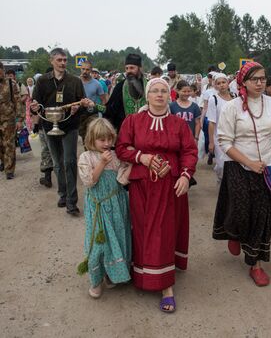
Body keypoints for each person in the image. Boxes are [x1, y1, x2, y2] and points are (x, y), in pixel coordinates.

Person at [116, 77, 198, 313]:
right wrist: (141, 157)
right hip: (142, 184)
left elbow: (190, 151)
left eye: (164, 91)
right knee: (142, 229)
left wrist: (184, 175)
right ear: (148, 96)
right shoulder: (133, 121)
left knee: (164, 230)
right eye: (155, 91)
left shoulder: (179, 125)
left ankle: (165, 285)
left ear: (169, 96)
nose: (160, 95)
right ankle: (143, 272)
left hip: (170, 185)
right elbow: (121, 148)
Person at [213, 61, 271, 287]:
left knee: (262, 216)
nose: (260, 83)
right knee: (240, 212)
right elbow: (224, 141)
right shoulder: (232, 107)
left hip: (268, 165)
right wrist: (250, 163)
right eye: (255, 79)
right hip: (239, 165)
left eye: (263, 78)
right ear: (243, 82)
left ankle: (256, 263)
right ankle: (234, 233)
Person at [30, 48, 91, 215]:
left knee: (70, 162)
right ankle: (62, 194)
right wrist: (34, 108)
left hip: (70, 126)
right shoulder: (42, 81)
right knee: (57, 163)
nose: (63, 63)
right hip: (49, 127)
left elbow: (83, 104)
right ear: (52, 61)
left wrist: (77, 108)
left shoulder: (74, 81)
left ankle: (72, 202)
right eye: (59, 60)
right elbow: (37, 105)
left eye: (64, 60)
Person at [77, 118, 131, 298]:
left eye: (109, 139)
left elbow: (122, 180)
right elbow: (89, 181)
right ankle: (96, 280)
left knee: (116, 239)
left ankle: (110, 274)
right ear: (91, 139)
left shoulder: (116, 157)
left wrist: (130, 162)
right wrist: (101, 163)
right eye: (102, 140)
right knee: (98, 245)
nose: (107, 143)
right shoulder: (86, 157)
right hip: (98, 208)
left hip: (116, 205)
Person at [104, 54, 148, 131]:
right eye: (126, 68)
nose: (128, 71)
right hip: (125, 132)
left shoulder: (149, 86)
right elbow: (110, 111)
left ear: (140, 68)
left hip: (147, 131)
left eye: (132, 68)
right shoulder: (119, 87)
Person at [206, 73, 235, 182]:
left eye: (224, 82)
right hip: (220, 138)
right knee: (222, 164)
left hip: (235, 136)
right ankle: (221, 180)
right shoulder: (214, 99)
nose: (222, 85)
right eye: (218, 83)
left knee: (234, 163)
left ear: (228, 83)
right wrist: (211, 142)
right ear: (215, 86)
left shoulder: (235, 97)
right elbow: (211, 122)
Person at [0, 62, 24, 179]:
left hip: (8, 120)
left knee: (9, 144)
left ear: (2, 70)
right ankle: (4, 162)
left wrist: (19, 120)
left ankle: (9, 170)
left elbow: (18, 102)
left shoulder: (11, 83)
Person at [79, 61, 107, 145]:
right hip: (78, 114)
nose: (85, 71)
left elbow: (104, 100)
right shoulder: (76, 82)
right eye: (83, 69)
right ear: (80, 69)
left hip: (91, 114)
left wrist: (100, 111)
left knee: (92, 138)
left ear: (91, 70)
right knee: (84, 138)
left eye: (87, 69)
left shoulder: (97, 84)